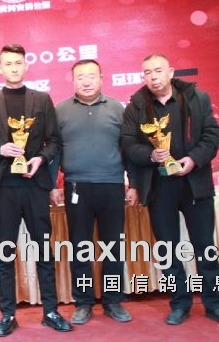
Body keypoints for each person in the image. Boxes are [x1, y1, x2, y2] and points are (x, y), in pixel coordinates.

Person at [120, 54, 219, 326]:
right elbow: (127, 144)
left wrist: (193, 159)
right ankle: (180, 303)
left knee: (205, 247)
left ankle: (214, 303)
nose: (153, 77)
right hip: (159, 186)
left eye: (158, 70)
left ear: (171, 72)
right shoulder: (136, 106)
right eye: (147, 72)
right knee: (167, 250)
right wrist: (150, 154)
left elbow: (211, 135)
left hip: (195, 183)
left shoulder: (198, 98)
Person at [0, 44, 72, 336]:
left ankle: (50, 311)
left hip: (35, 185)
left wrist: (40, 159)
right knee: (6, 251)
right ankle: (8, 314)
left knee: (43, 249)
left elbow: (54, 141)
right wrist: (0, 150)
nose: (13, 68)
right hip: (5, 187)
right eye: (8, 63)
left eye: (18, 62)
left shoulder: (42, 100)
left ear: (26, 65)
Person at [50, 59, 138, 325]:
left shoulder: (117, 108)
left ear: (101, 78)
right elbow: (54, 151)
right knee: (80, 248)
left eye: (91, 76)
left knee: (113, 247)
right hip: (76, 186)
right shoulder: (61, 110)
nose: (86, 81)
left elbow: (129, 149)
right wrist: (52, 184)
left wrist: (133, 183)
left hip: (112, 185)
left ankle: (113, 301)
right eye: (80, 77)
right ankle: (84, 302)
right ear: (72, 80)